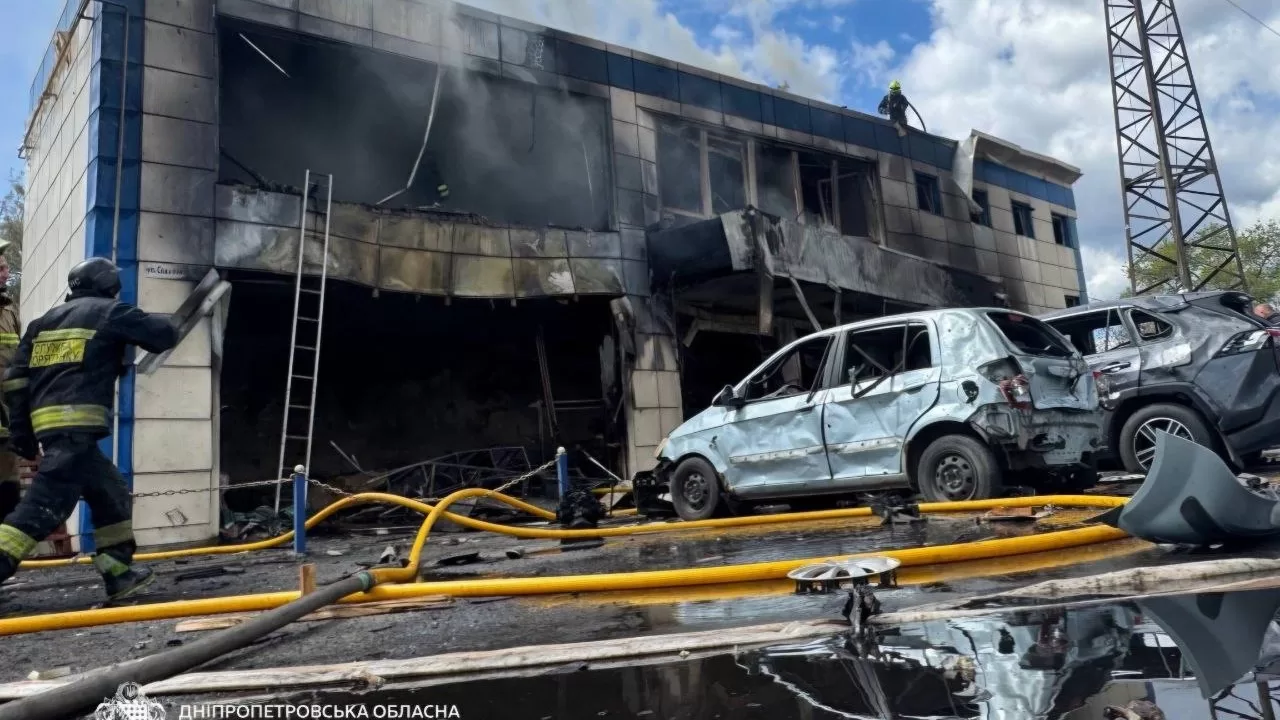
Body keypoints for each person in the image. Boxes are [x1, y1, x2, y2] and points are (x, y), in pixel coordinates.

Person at [0, 257, 179, 601]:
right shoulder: (111, 312)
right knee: (38, 511)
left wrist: (22, 432)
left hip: (52, 431)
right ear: (110, 285)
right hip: (77, 429)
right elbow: (163, 335)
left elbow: (15, 380)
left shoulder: (42, 324)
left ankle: (118, 573)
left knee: (110, 493)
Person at [0, 250, 21, 523]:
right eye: (0, 269)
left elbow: (18, 358)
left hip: (5, 419)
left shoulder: (10, 309)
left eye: (5, 267)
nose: (5, 273)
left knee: (8, 489)